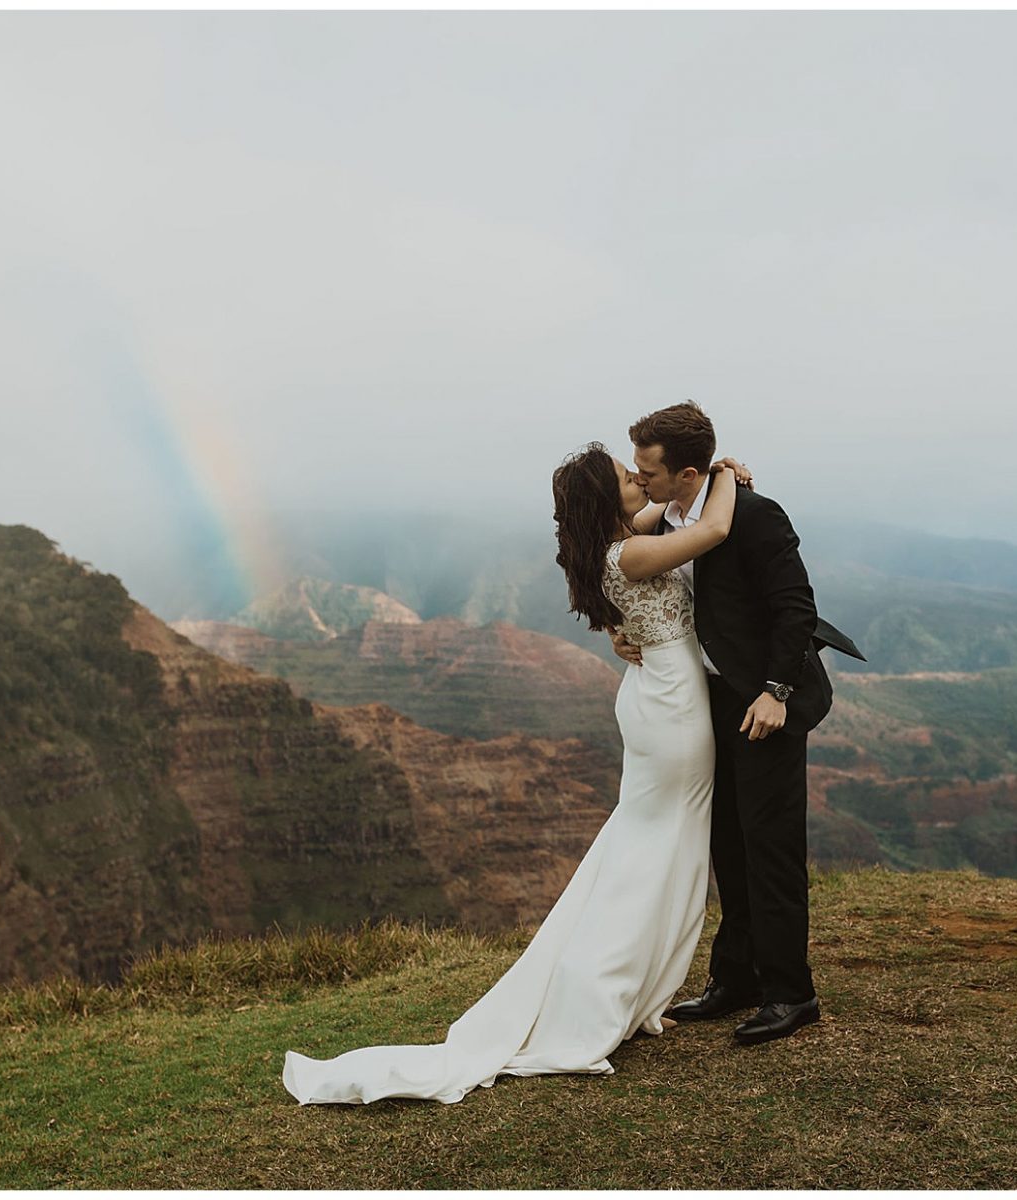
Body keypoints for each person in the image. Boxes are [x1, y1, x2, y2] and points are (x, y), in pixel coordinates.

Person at [281, 442, 750, 1105]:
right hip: (671, 711)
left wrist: (688, 485)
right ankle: (606, 993)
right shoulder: (632, 552)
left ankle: (629, 987)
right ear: (604, 498)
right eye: (625, 476)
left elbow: (667, 516)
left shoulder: (619, 543)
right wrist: (725, 473)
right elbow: (715, 529)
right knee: (658, 850)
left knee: (649, 845)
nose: (637, 478)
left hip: (658, 702)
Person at [617, 400, 850, 1045]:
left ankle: (790, 993)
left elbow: (795, 608)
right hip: (707, 702)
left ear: (690, 472)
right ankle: (735, 978)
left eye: (651, 472)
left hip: (764, 703)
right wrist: (624, 634)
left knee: (770, 846)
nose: (642, 481)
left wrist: (776, 691)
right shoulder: (669, 519)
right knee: (727, 841)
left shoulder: (754, 514)